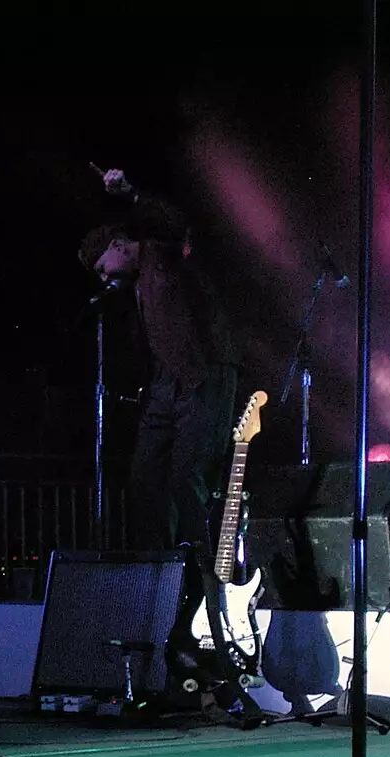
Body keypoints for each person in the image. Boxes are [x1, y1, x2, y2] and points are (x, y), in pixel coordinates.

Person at [77, 168, 240, 554]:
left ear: (119, 245)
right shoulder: (133, 288)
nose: (104, 279)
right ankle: (160, 565)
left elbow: (171, 222)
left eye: (102, 267)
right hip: (166, 385)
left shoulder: (161, 253)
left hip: (204, 371)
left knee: (189, 476)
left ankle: (205, 568)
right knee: (144, 480)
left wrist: (130, 193)